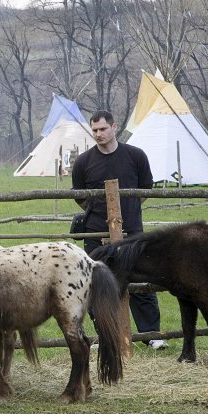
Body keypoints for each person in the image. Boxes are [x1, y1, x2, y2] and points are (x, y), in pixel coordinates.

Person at [70, 110, 167, 350]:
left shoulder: (135, 156)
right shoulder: (83, 162)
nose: (98, 134)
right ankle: (106, 335)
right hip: (95, 233)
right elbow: (80, 196)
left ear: (114, 127)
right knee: (96, 283)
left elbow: (145, 189)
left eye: (102, 129)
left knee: (140, 279)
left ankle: (151, 334)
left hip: (131, 230)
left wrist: (127, 211)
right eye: (94, 130)